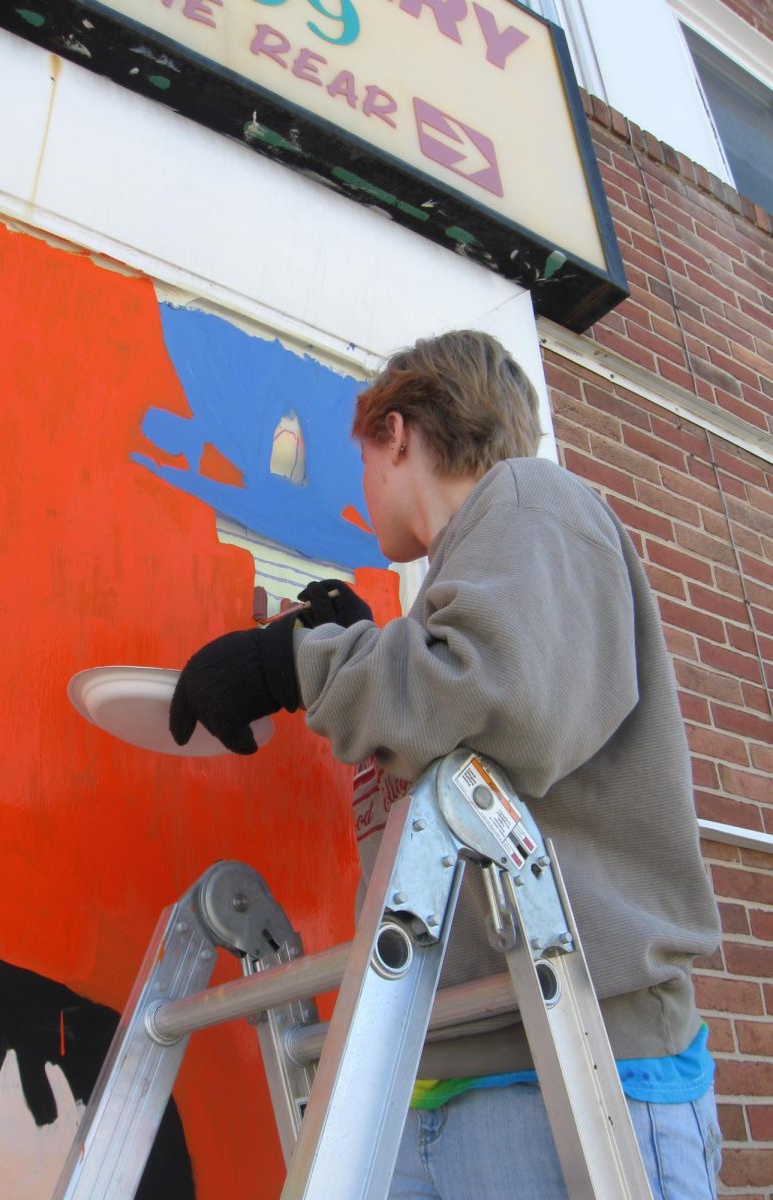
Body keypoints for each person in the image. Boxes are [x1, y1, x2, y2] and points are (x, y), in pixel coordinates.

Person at [169, 330, 723, 1199]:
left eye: (364, 460)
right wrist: (372, 648)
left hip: (578, 1079)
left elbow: (496, 695)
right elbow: (459, 714)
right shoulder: (485, 563)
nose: (362, 491)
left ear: (397, 432)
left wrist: (291, 662)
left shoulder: (533, 499)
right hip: (454, 1077)